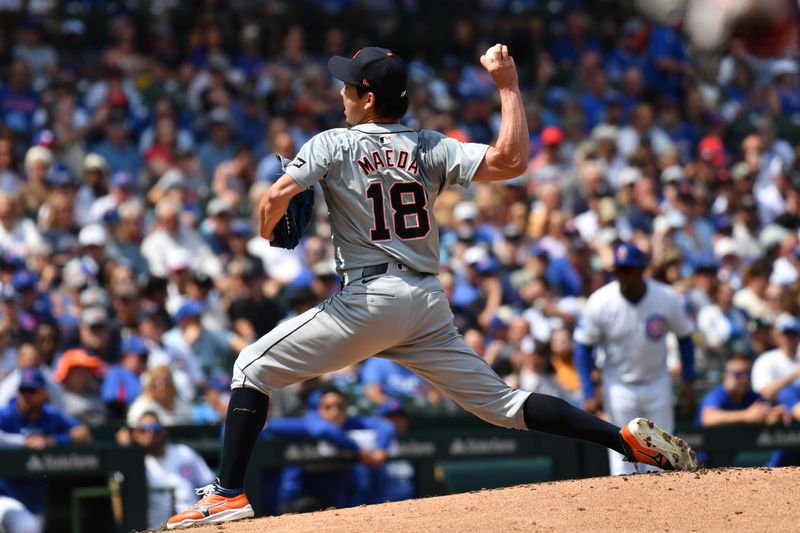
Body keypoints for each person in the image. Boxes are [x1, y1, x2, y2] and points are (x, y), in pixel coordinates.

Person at [167, 44, 697, 529]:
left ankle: (227, 493)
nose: (341, 93)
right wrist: (509, 85)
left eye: (349, 87)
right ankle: (623, 439)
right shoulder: (429, 145)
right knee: (504, 405)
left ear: (368, 99)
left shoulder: (333, 142)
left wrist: (269, 225)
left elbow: (273, 202)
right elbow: (511, 161)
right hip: (425, 302)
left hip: (371, 298)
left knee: (249, 368)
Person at [573, 242, 696, 475]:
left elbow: (685, 337)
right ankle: (625, 511)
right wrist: (588, 389)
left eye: (628, 270)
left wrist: (688, 381)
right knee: (622, 457)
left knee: (663, 456)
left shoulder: (666, 297)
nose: (623, 275)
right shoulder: (601, 300)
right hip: (619, 384)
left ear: (641, 270)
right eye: (618, 270)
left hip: (657, 381)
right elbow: (583, 345)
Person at [261, 386, 395, 513]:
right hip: (307, 492)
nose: (335, 412)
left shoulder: (350, 422)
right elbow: (324, 430)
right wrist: (357, 449)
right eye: (328, 407)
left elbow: (386, 426)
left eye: (340, 407)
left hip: (339, 489)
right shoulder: (312, 421)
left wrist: (380, 449)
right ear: (319, 409)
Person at [0, 368, 91, 525]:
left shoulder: (50, 416)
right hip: (5, 495)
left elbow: (83, 434)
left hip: (36, 501)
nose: (27, 395)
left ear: (44, 393)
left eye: (32, 390)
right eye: (23, 390)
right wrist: (24, 442)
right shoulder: (6, 415)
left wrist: (52, 440)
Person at [117, 411, 214, 531]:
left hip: (194, 523)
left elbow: (209, 483)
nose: (150, 433)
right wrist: (125, 450)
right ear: (135, 434)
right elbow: (120, 490)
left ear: (164, 431)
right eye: (143, 429)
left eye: (154, 428)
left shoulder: (183, 452)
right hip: (159, 528)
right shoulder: (135, 462)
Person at [697, 354, 786, 426]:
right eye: (739, 374)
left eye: (747, 374)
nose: (745, 378)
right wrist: (746, 415)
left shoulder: (753, 397)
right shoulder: (717, 395)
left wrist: (771, 417)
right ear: (726, 376)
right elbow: (708, 418)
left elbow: (765, 414)